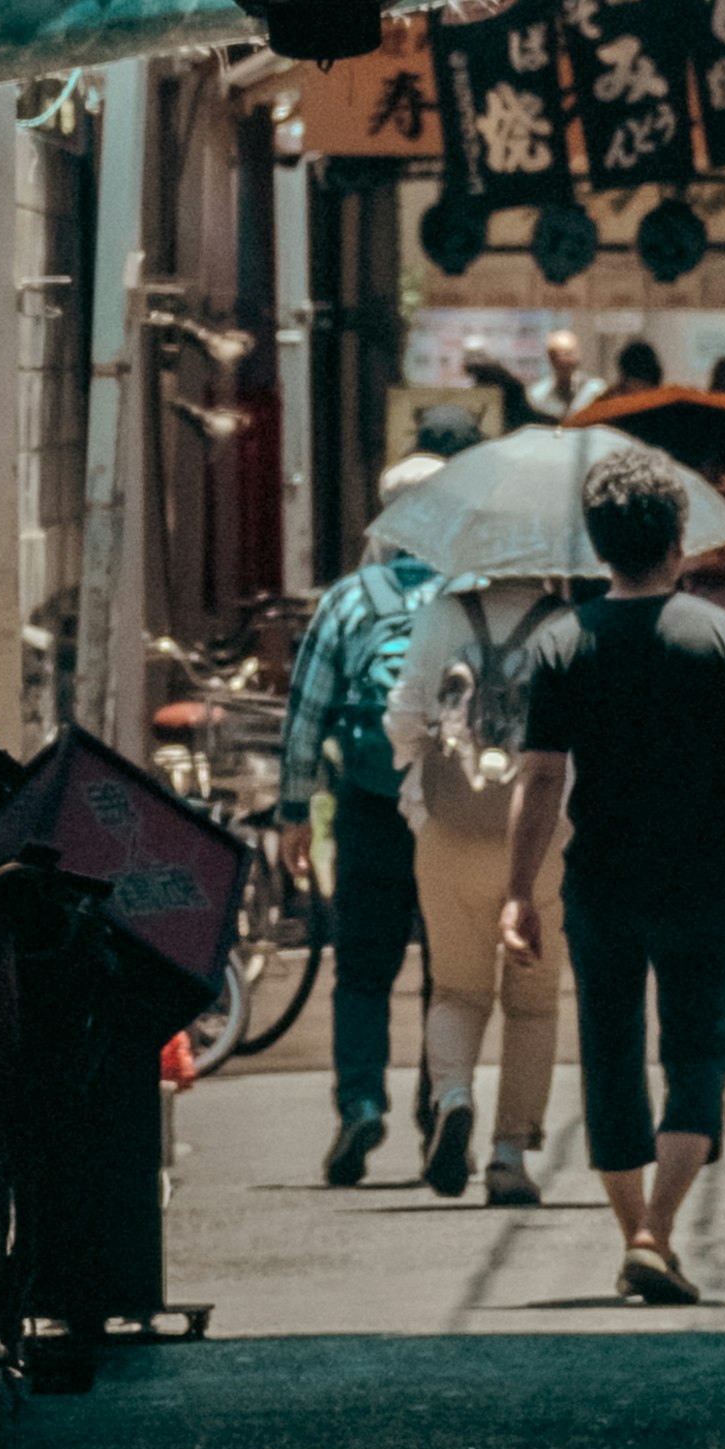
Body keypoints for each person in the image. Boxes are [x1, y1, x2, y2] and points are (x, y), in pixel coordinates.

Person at [501, 441, 725, 1306]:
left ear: (598, 544)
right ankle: (657, 1233)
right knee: (697, 1056)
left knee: (608, 1056)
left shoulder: (561, 645)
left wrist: (514, 895)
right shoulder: (723, 638)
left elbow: (539, 781)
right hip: (700, 886)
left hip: (600, 886)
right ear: (680, 539)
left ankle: (631, 1227)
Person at [385, 558, 569, 1202]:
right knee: (535, 1002)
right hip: (545, 836)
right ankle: (509, 1155)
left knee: (456, 991)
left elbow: (402, 720)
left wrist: (435, 750)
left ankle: (454, 1095)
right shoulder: (569, 625)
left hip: (449, 829)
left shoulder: (440, 615)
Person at [274, 469, 438, 1186]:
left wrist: (293, 815)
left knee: (363, 970)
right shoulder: (465, 599)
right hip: (448, 807)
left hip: (368, 806)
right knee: (451, 973)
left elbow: (306, 713)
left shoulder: (347, 600)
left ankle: (361, 1104)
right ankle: (444, 1107)